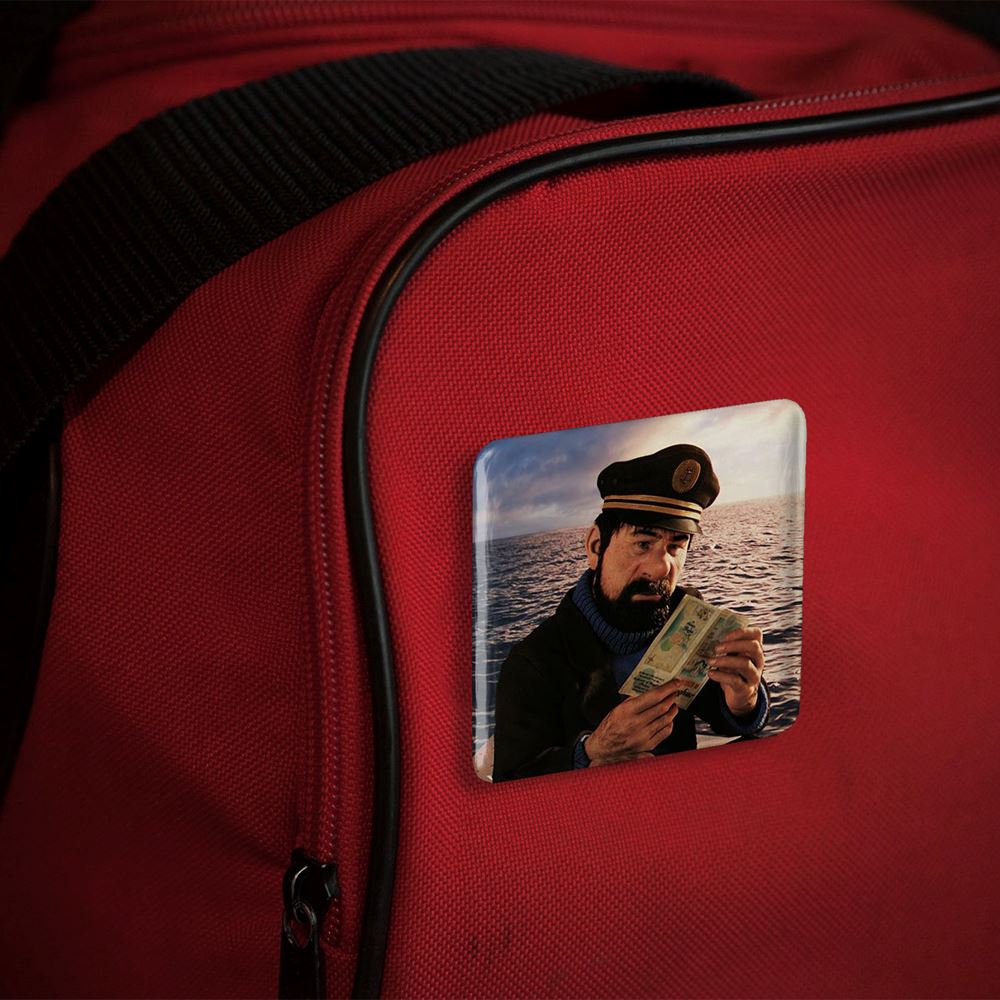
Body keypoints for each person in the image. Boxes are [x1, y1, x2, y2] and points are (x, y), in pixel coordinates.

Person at [491, 443, 769, 782]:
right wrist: (588, 755)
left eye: (675, 546)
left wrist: (744, 700)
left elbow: (728, 715)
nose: (661, 567)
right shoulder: (531, 663)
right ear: (596, 546)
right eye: (643, 544)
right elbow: (512, 781)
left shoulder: (687, 616)